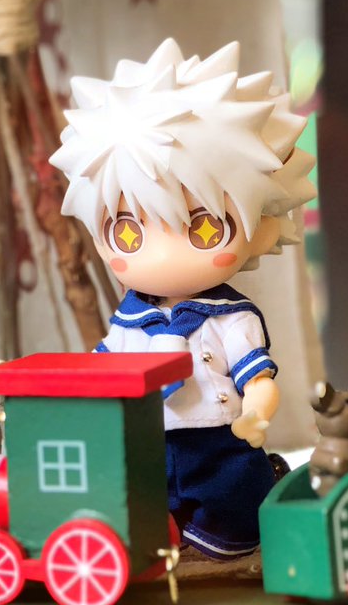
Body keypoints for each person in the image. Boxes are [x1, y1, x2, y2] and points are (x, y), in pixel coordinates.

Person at [49, 38, 316, 560]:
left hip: (217, 438)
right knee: (143, 504)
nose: (163, 255)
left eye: (204, 228)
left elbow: (254, 372)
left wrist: (258, 406)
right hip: (146, 439)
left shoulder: (231, 318)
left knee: (231, 500)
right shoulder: (129, 319)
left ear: (261, 228)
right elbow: (106, 365)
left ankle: (230, 532)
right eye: (127, 232)